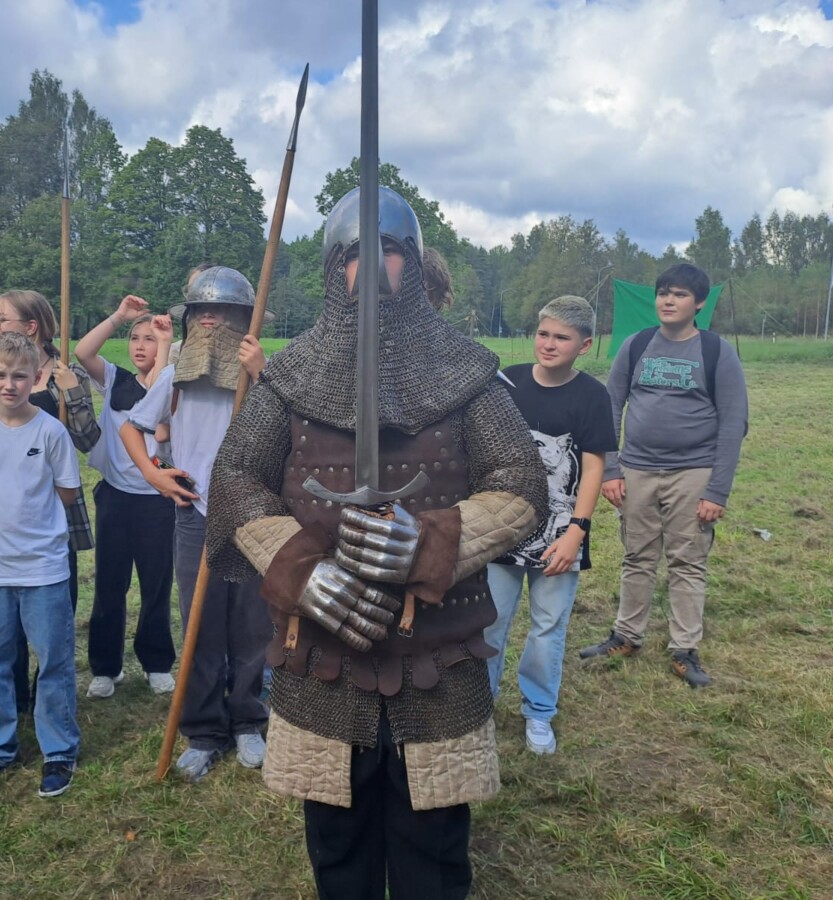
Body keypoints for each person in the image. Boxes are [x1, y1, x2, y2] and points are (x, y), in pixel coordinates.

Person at [205, 187, 547, 899]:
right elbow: (236, 480)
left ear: (415, 267)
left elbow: (522, 484)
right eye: (358, 253)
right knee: (338, 849)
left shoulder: (466, 374)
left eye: (391, 250)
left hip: (438, 652)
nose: (375, 266)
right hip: (322, 652)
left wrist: (433, 544)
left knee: (435, 855)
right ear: (335, 269)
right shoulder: (293, 375)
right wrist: (299, 570)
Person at [119, 266, 269, 783]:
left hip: (251, 513)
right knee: (202, 623)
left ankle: (249, 718)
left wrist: (263, 374)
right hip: (194, 514)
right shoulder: (174, 375)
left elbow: (290, 432)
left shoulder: (263, 374)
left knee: (252, 622)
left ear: (242, 319)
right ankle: (205, 731)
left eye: (222, 312)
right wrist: (154, 476)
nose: (210, 321)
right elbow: (132, 427)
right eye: (201, 312)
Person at [579, 263, 748, 687]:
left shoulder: (716, 351)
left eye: (679, 295)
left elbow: (733, 422)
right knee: (636, 556)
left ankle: (684, 650)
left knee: (687, 562)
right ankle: (626, 636)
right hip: (636, 470)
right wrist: (613, 470)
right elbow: (609, 408)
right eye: (662, 294)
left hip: (693, 473)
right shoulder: (636, 346)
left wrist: (718, 490)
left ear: (699, 303)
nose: (668, 301)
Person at [481, 295, 616, 755]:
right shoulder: (507, 383)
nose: (550, 344)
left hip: (561, 532)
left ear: (585, 345)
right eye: (544, 333)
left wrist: (576, 530)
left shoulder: (593, 396)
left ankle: (539, 712)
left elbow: (594, 467)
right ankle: (480, 706)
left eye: (562, 337)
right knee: (489, 621)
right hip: (503, 528)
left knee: (547, 626)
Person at [0, 332, 82, 799]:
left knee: (53, 661)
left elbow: (67, 492)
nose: (10, 384)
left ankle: (59, 751)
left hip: (43, 568)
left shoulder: (51, 432)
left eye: (20, 376)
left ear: (38, 378)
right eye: (1, 375)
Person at [0, 290, 99, 711]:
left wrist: (71, 393)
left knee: (55, 612)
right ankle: (13, 697)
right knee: (6, 622)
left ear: (31, 327)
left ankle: (48, 693)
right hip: (12, 508)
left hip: (57, 510)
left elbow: (87, 440)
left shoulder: (67, 374)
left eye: (2, 319)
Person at [74, 295, 175, 699]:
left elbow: (159, 404)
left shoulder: (173, 381)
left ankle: (156, 663)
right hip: (115, 498)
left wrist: (166, 345)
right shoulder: (114, 379)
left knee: (156, 585)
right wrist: (118, 315)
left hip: (158, 499)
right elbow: (83, 351)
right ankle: (106, 667)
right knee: (110, 584)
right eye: (135, 338)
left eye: (149, 339)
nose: (139, 345)